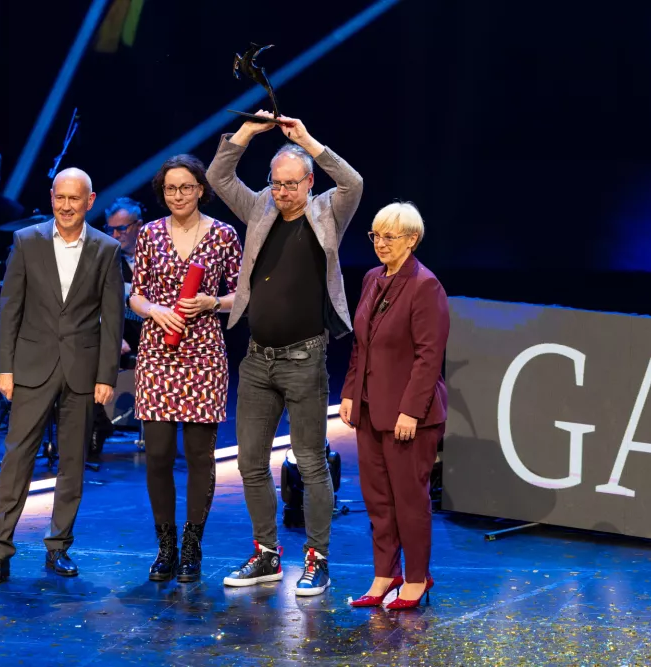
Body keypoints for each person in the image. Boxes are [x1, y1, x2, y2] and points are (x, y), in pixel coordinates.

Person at [207, 111, 363, 596]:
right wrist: (248, 134)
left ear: (309, 182)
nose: (283, 193)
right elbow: (216, 176)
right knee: (251, 462)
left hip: (304, 360)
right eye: (276, 184)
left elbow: (353, 181)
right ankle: (267, 554)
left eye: (292, 184)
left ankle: (317, 559)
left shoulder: (327, 211)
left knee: (310, 462)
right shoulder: (259, 209)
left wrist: (307, 140)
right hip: (257, 361)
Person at [0, 168, 125, 586]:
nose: (65, 206)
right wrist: (4, 368)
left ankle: (58, 546)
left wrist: (106, 375)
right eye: (60, 198)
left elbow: (112, 320)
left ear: (89, 200)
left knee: (73, 462)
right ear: (52, 197)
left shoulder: (107, 248)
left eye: (74, 199)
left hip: (81, 369)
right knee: (17, 457)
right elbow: (10, 309)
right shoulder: (26, 241)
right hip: (31, 366)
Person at [128, 155, 241, 583]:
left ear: (200, 190)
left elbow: (242, 293)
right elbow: (135, 295)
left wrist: (212, 302)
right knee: (157, 454)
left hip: (203, 354)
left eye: (186, 187)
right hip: (158, 351)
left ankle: (192, 547)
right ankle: (166, 546)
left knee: (198, 456)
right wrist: (155, 310)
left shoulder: (223, 235)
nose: (178, 195)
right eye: (171, 189)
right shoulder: (150, 235)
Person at [339, 202, 449, 610]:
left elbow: (428, 356)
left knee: (409, 499)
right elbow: (360, 344)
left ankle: (417, 578)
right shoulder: (371, 279)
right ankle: (386, 574)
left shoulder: (424, 285)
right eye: (375, 236)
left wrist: (411, 411)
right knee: (378, 499)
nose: (380, 244)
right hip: (370, 409)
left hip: (408, 416)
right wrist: (350, 392)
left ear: (412, 240)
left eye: (390, 237)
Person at [88, 197, 145, 459]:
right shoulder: (107, 259)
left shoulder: (159, 257)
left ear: (139, 226)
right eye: (110, 229)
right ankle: (98, 423)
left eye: (121, 229)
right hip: (122, 333)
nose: (115, 235)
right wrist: (114, 336)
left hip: (154, 334)